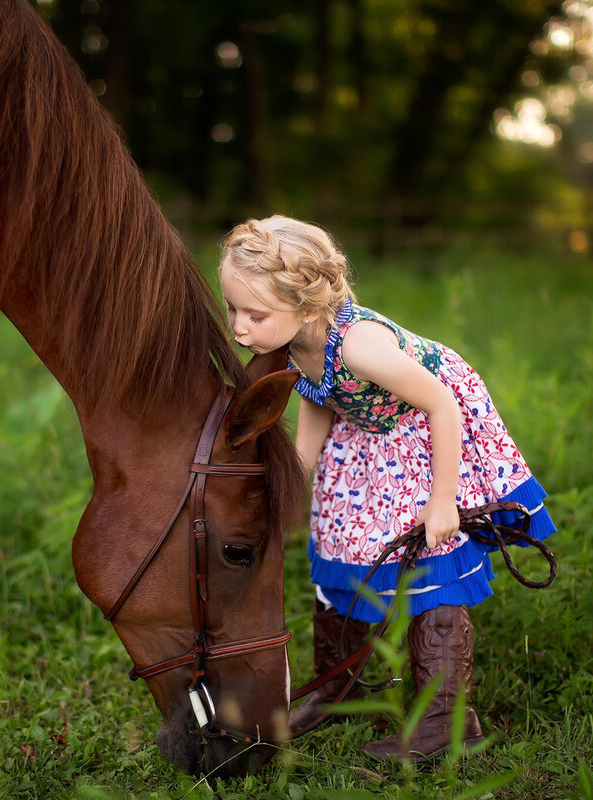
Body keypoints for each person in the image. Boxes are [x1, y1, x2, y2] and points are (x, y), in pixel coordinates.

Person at [218, 215, 557, 762]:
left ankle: (447, 721)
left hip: (424, 432)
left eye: (256, 315)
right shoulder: (295, 343)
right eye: (233, 309)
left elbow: (441, 403)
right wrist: (294, 479)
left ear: (306, 309)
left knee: (429, 558)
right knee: (339, 540)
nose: (240, 328)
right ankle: (336, 688)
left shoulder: (362, 348)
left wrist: (442, 497)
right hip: (366, 435)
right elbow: (317, 399)